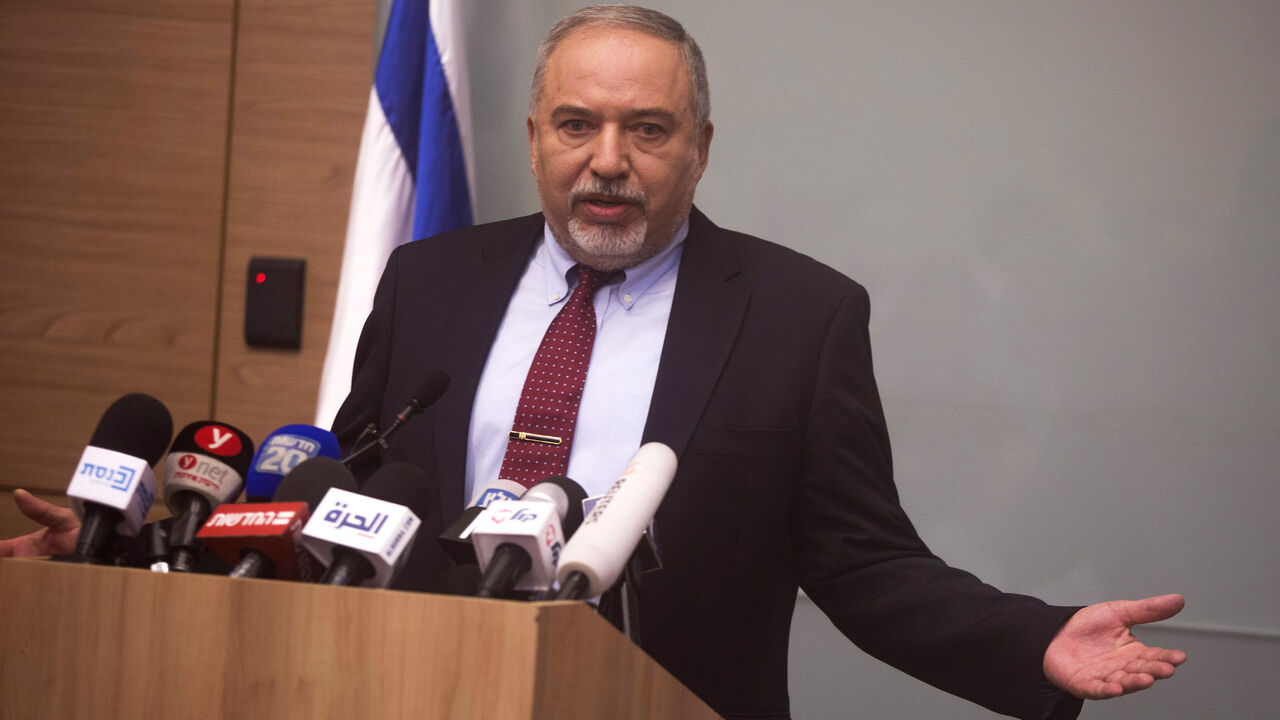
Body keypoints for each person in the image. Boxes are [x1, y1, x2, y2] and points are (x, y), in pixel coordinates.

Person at [3, 6, 1185, 720]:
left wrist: (1032, 641)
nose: (606, 160)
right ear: (533, 136)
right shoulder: (432, 281)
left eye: (647, 129)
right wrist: (126, 554)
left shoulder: (796, 315)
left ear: (700, 148)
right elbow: (339, 501)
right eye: (576, 125)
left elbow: (862, 565)